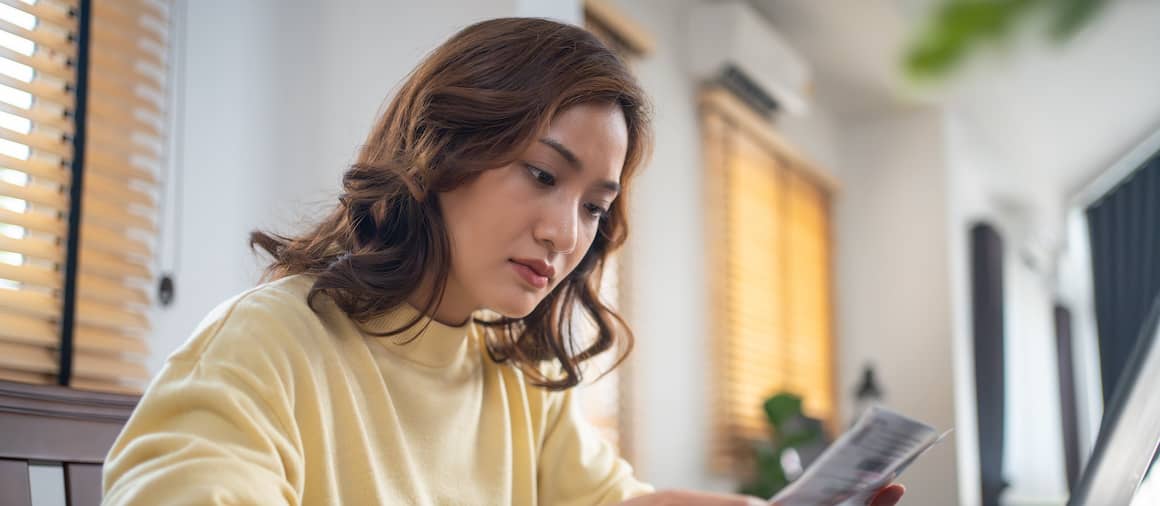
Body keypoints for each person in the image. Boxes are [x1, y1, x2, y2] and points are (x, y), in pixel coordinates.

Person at [101, 17, 904, 506]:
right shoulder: (270, 340)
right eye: (543, 175)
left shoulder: (512, 373)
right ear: (443, 149)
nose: (566, 232)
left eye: (594, 205)